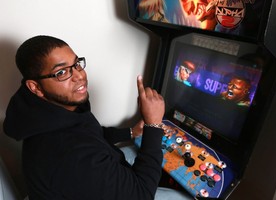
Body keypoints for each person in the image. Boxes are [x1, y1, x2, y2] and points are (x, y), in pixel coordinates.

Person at [3, 35, 191, 200]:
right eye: (61, 72)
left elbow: (91, 133)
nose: (79, 76)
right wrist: (153, 125)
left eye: (76, 64)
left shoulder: (50, 109)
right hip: (120, 187)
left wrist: (131, 132)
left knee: (135, 148)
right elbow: (141, 195)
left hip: (86, 177)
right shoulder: (68, 153)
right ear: (35, 87)